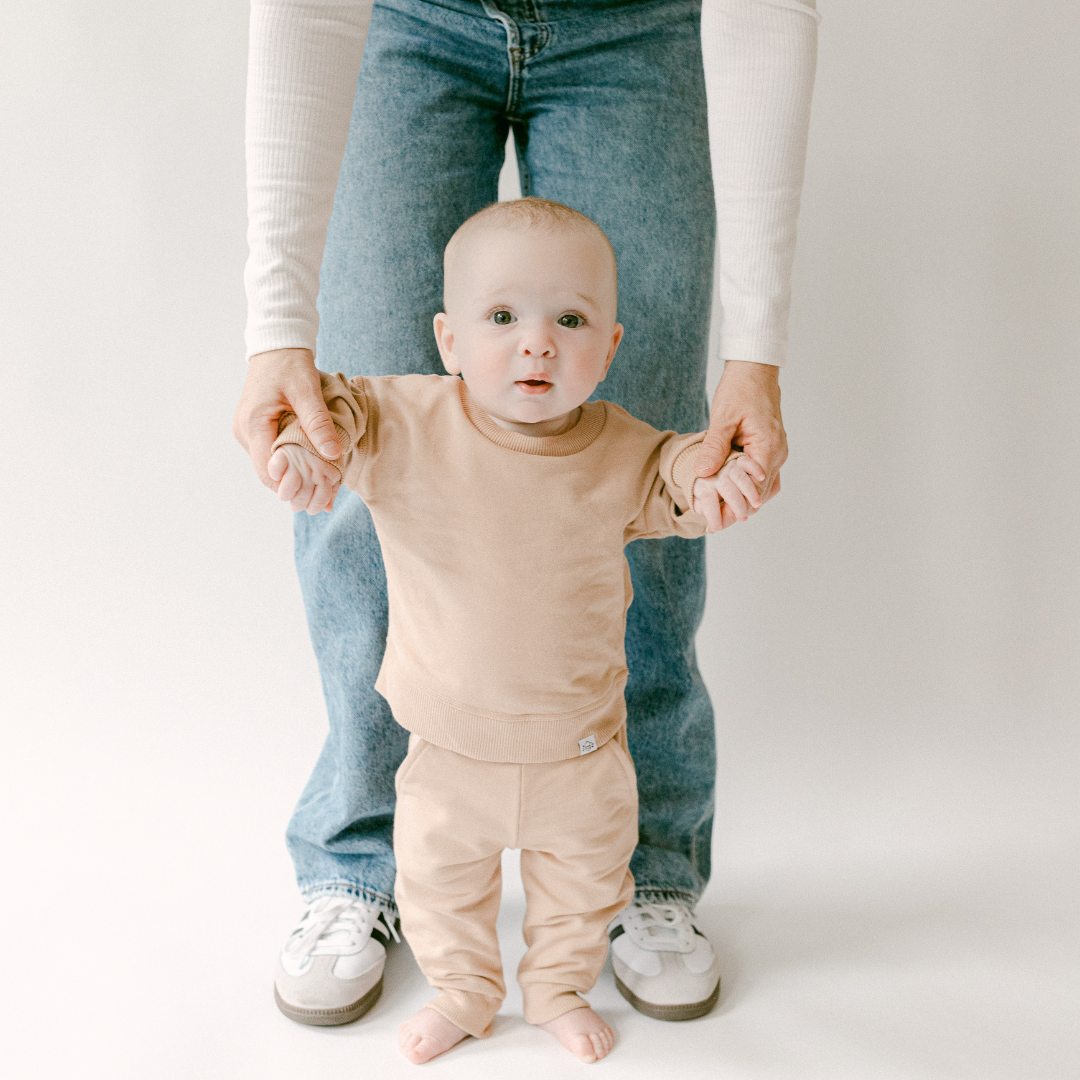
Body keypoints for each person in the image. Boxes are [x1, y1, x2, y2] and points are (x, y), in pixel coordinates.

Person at [233, 0, 819, 1027]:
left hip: (639, 26)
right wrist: (277, 326)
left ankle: (646, 866)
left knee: (653, 454)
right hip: (404, 20)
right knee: (350, 441)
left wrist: (756, 350)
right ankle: (365, 859)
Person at [267, 198, 769, 1064]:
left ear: (609, 347)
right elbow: (338, 409)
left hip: (579, 754)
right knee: (438, 888)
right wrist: (312, 447)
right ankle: (464, 993)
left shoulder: (621, 449)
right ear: (449, 340)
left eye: (570, 319)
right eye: (501, 317)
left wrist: (717, 478)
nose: (536, 341)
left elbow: (678, 471)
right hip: (449, 752)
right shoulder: (409, 422)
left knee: (583, 887)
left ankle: (558, 987)